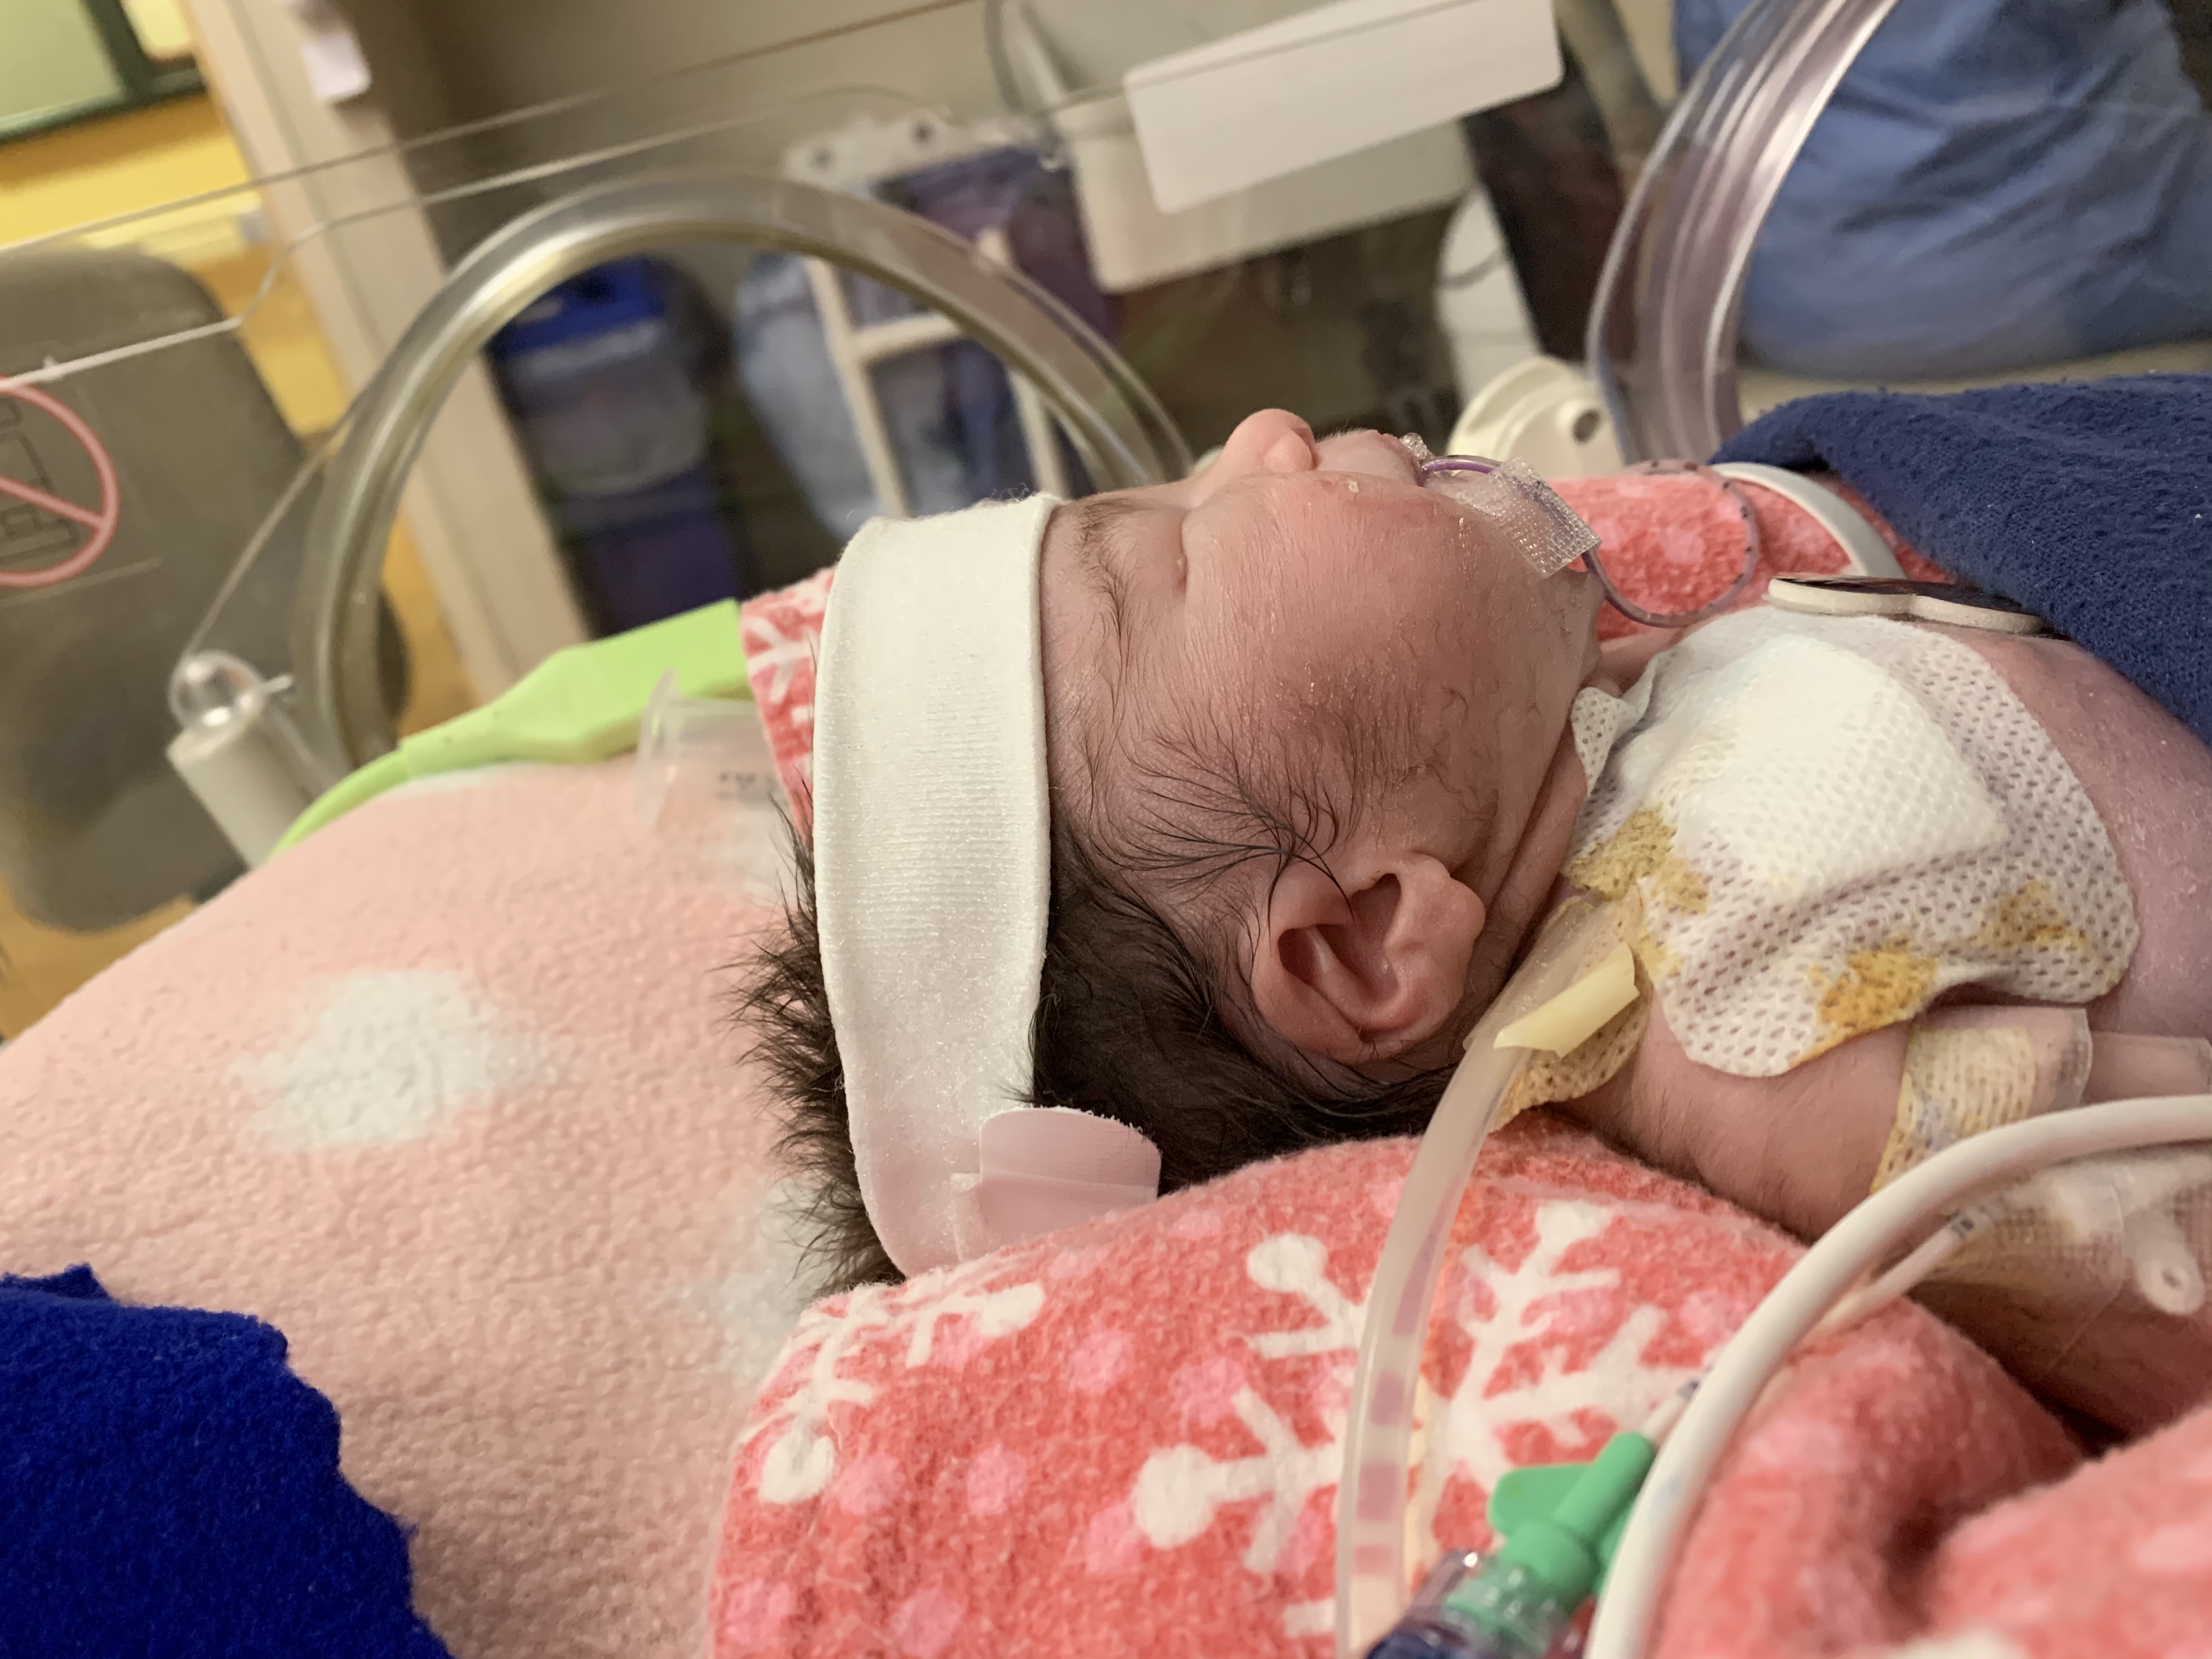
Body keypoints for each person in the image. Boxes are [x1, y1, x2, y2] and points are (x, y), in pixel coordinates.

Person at [744, 406, 2212, 1423]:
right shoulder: (1729, 1033)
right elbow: (2131, 1259)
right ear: (1367, 943)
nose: (1260, 438)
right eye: (1180, 548)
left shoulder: (1610, 729)